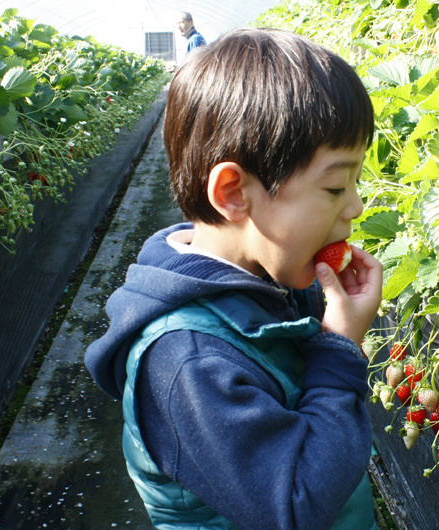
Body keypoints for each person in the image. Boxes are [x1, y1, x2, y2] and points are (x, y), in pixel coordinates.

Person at [85, 28, 382, 529]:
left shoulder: (266, 281)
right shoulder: (185, 363)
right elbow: (296, 506)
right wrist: (339, 350)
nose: (355, 205)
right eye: (335, 185)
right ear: (233, 193)